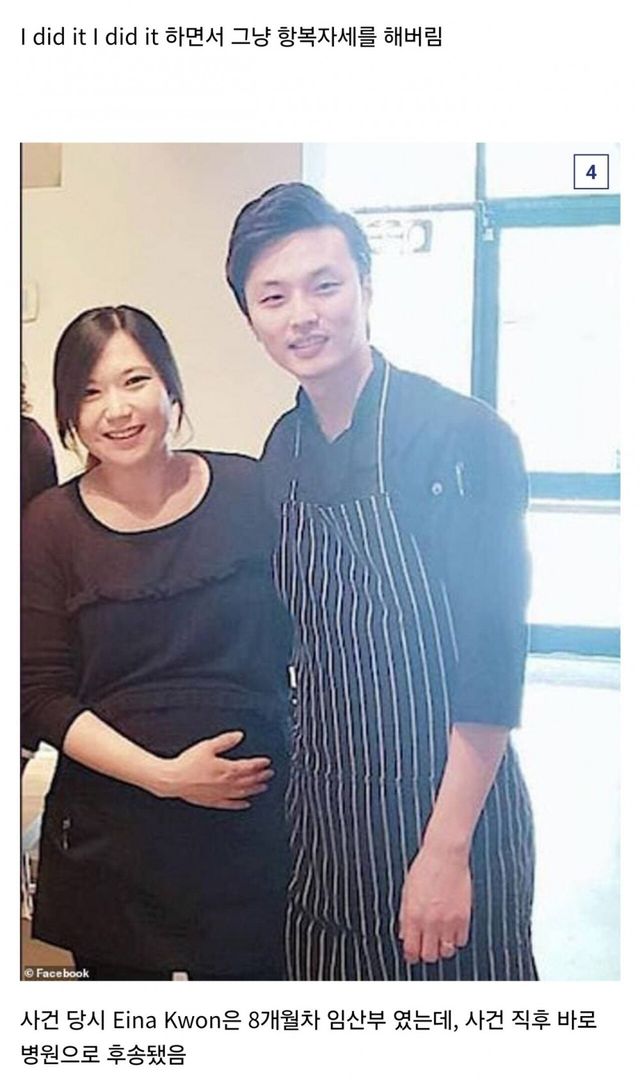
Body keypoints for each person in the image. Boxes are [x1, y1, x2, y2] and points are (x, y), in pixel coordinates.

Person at [225, 182, 537, 981]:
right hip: (328, 819)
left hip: (452, 811)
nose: (303, 315)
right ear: (250, 319)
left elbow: (493, 660)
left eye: (325, 285)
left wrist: (447, 849)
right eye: (274, 297)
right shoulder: (282, 450)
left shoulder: (463, 435)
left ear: (366, 286)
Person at [21, 305, 291, 980]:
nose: (116, 409)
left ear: (171, 387)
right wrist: (165, 777)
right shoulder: (49, 525)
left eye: (135, 380)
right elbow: (39, 695)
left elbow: (311, 634)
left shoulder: (251, 490)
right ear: (69, 413)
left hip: (253, 833)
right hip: (114, 839)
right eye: (89, 391)